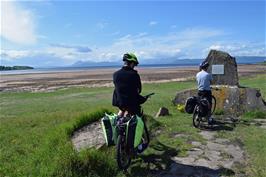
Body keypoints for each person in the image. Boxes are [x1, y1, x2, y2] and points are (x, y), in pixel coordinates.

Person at [112, 53, 148, 153]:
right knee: (137, 121)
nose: (134, 66)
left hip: (120, 103)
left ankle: (117, 128)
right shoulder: (134, 75)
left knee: (121, 113)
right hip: (132, 104)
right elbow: (138, 90)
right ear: (131, 63)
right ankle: (142, 142)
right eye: (134, 64)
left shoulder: (115, 74)